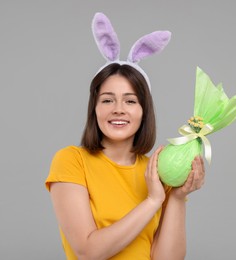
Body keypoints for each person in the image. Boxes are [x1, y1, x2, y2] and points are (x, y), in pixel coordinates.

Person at [45, 13, 205, 260]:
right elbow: (88, 252)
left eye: (130, 101)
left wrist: (177, 197)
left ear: (144, 111)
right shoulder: (71, 161)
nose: (118, 109)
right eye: (107, 100)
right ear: (94, 108)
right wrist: (152, 201)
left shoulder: (156, 171)